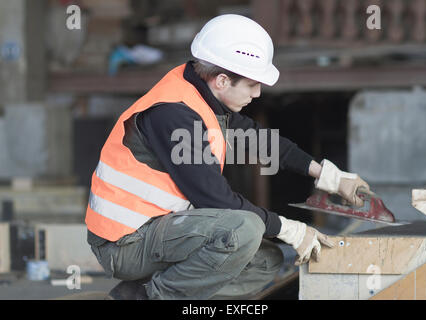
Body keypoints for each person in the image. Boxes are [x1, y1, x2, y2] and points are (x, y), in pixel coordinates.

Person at [85, 14, 370, 300]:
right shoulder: (173, 115)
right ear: (222, 80)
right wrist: (291, 229)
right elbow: (216, 199)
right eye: (251, 85)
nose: (258, 93)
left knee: (265, 260)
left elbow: (260, 139)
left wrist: (328, 176)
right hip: (124, 243)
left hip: (157, 229)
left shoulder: (198, 91)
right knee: (243, 230)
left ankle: (133, 294)